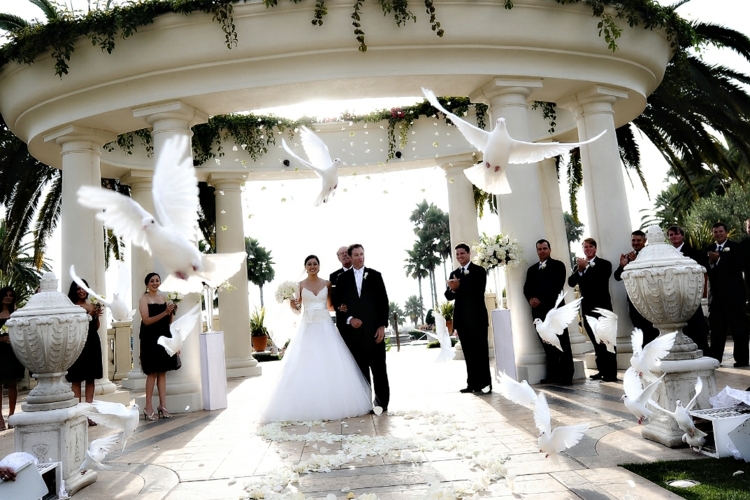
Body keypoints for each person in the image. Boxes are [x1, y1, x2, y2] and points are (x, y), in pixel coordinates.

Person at [260, 255, 372, 422]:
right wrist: (292, 304)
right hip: (308, 327)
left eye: (315, 264)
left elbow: (330, 306)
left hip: (326, 326)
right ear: (305, 267)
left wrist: (342, 307)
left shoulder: (326, 283)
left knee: (331, 362)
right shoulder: (300, 285)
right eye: (309, 264)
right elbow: (298, 310)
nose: (312, 266)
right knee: (307, 363)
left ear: (319, 266)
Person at [333, 244, 391, 411]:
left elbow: (383, 303)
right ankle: (364, 404)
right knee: (360, 371)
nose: (360, 257)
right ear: (349, 257)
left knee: (379, 369)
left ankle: (382, 405)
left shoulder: (375, 276)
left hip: (374, 332)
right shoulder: (342, 280)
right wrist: (349, 319)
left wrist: (382, 326)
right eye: (356, 255)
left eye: (362, 254)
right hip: (355, 334)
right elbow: (338, 305)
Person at [523, 239, 574, 385]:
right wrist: (530, 298)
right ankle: (553, 374)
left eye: (545, 248)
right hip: (538, 312)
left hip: (555, 312)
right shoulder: (531, 270)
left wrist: (541, 298)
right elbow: (527, 287)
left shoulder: (559, 265)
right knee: (547, 344)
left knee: (562, 342)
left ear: (550, 250)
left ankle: (567, 375)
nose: (542, 251)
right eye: (539, 249)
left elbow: (557, 285)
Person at [567, 238, 617, 382]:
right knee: (596, 342)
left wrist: (587, 267)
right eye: (585, 247)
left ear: (595, 249)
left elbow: (600, 279)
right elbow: (571, 282)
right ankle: (601, 370)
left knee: (607, 341)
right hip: (588, 309)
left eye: (590, 247)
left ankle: (611, 373)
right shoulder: (580, 266)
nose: (587, 249)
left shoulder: (604, 264)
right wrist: (580, 270)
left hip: (603, 309)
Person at [444, 243, 491, 393]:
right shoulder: (454, 273)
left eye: (462, 253)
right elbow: (448, 296)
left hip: (477, 319)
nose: (460, 257)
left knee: (481, 353)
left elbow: (477, 291)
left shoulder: (479, 271)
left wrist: (459, 287)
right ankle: (472, 384)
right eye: (457, 254)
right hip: (462, 320)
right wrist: (452, 288)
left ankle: (485, 385)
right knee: (469, 354)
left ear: (469, 253)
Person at [703, 222, 748, 366]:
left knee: (739, 330)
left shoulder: (737, 247)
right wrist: (711, 262)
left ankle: (741, 359)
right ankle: (716, 359)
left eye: (720, 231)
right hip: (715, 298)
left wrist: (720, 260)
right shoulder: (708, 249)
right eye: (715, 232)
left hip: (734, 297)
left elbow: (739, 266)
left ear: (726, 232)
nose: (718, 234)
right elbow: (705, 269)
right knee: (716, 331)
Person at [139, 273, 179, 421]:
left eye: (157, 280)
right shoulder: (144, 298)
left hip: (164, 336)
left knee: (163, 372)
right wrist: (165, 312)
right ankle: (148, 406)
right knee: (152, 372)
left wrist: (171, 312)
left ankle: (163, 405)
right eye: (152, 281)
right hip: (150, 338)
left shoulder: (163, 298)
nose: (155, 283)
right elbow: (146, 320)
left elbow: (168, 321)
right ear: (147, 284)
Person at [667, 225, 710, 355]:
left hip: (690, 293)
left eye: (676, 234)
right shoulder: (667, 254)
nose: (674, 237)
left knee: (696, 325)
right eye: (671, 235)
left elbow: (703, 272)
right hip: (674, 294)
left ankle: (703, 352)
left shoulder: (694, 253)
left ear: (682, 236)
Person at [65, 279, 104, 422]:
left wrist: (96, 315)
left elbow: (96, 326)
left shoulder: (92, 305)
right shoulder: (71, 306)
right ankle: (79, 413)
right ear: (74, 291)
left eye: (84, 288)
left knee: (90, 378)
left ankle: (89, 413)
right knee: (76, 378)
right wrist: (89, 313)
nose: (81, 291)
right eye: (78, 289)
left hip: (92, 341)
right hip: (78, 342)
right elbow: (74, 325)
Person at [614, 230, 660, 347]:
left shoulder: (651, 254)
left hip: (649, 299)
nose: (635, 243)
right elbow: (617, 276)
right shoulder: (628, 256)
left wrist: (635, 263)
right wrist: (623, 266)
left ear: (645, 241)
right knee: (639, 330)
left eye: (638, 240)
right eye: (633, 240)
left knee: (651, 330)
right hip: (634, 300)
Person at [0, 287, 24, 431]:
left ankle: (12, 415)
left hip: (13, 352)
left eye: (11, 295)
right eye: (6, 295)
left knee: (13, 383)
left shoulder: (16, 315)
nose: (8, 297)